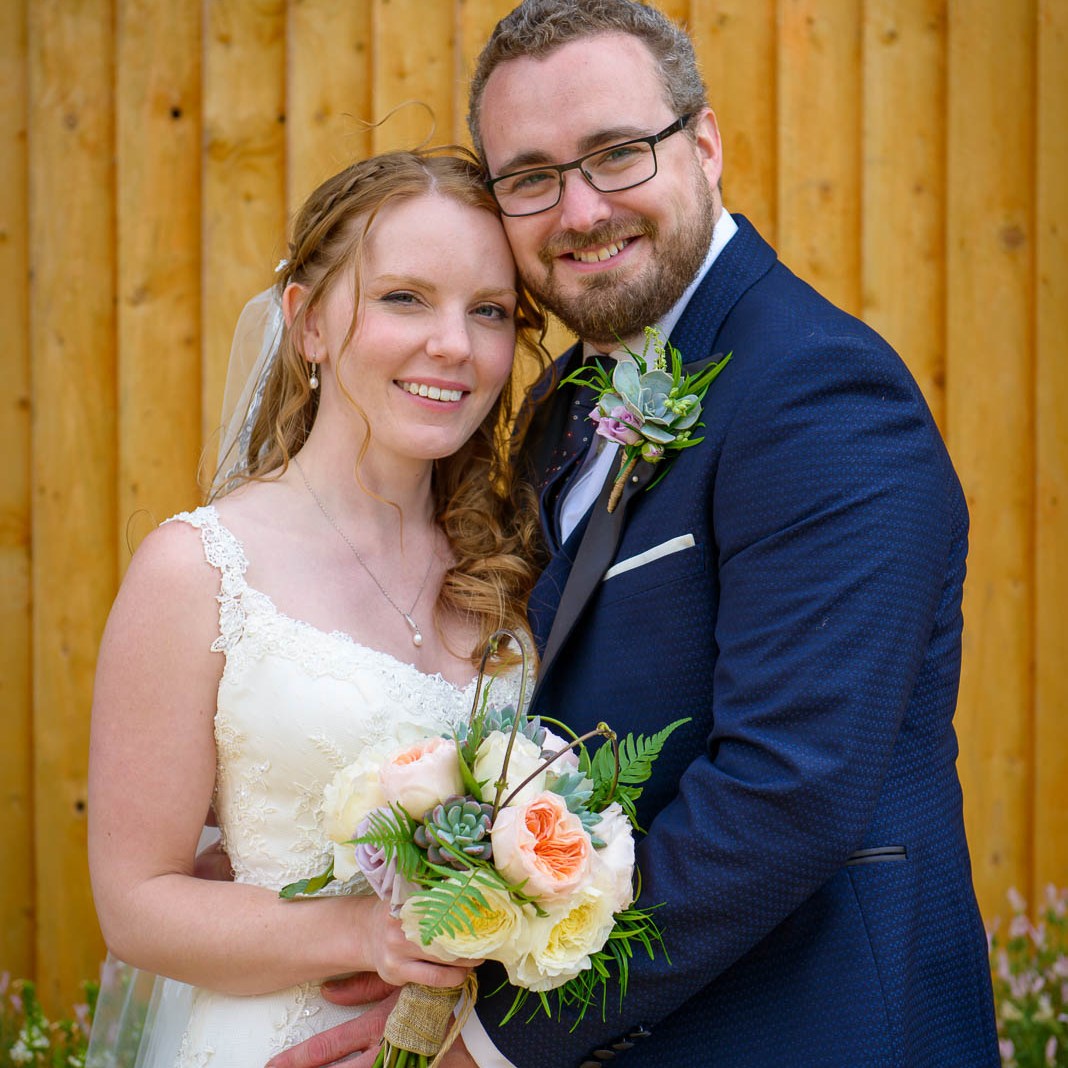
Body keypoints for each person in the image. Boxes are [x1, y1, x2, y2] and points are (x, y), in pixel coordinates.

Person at [269, 2, 1001, 1066]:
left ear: (704, 145)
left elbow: (788, 794)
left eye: (617, 154)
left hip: (807, 1028)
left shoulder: (821, 397)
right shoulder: (565, 399)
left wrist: (486, 1042)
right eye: (530, 177)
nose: (578, 208)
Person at [86, 148, 548, 1067]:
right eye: (404, 298)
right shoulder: (200, 569)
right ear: (307, 323)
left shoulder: (516, 570)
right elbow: (135, 902)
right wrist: (366, 934)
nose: (454, 344)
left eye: (488, 311)